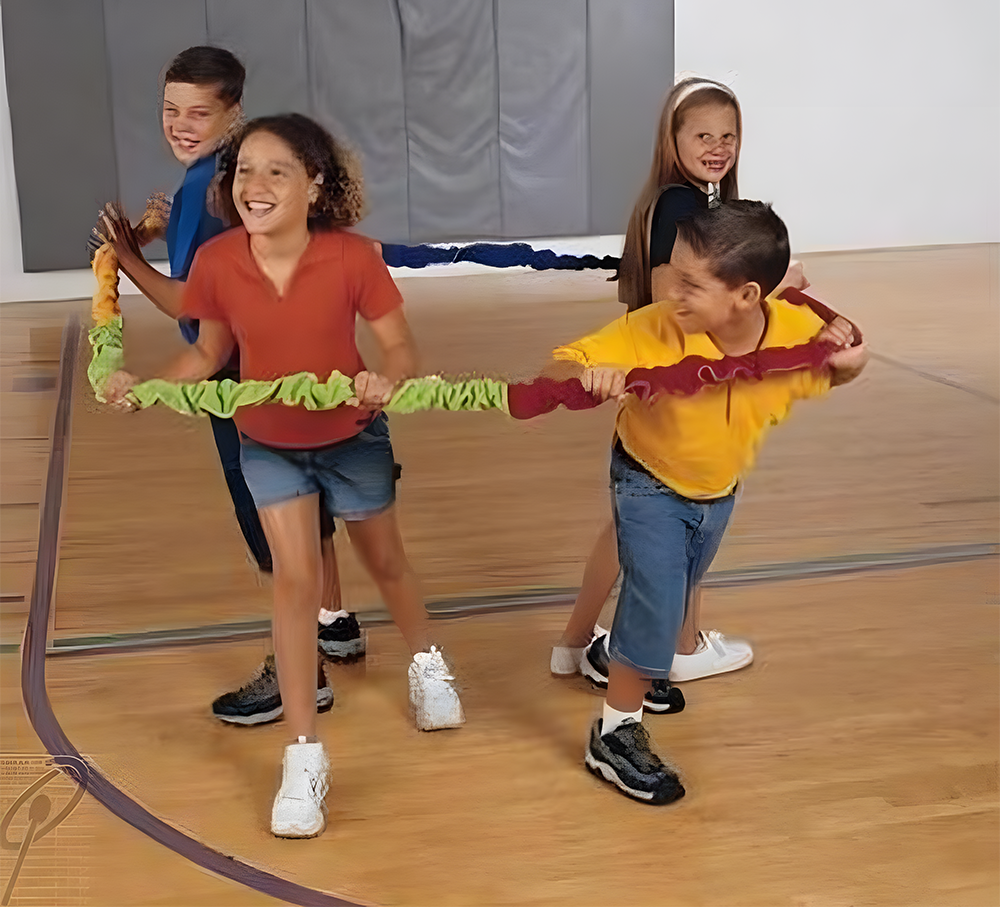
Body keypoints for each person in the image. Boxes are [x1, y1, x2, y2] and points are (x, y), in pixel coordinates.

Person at [106, 113, 464, 838]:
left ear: (315, 185)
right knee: (294, 584)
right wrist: (145, 385)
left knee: (385, 562)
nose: (256, 186)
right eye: (244, 172)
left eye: (277, 171)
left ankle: (427, 662)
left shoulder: (354, 257)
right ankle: (303, 756)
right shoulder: (218, 263)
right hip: (266, 440)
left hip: (351, 436)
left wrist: (383, 380)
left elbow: (400, 348)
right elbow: (208, 356)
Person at [548, 200, 867, 802]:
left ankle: (614, 658)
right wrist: (588, 374)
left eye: (691, 282)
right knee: (655, 595)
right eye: (672, 273)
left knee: (676, 587)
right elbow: (566, 360)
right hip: (646, 478)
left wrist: (850, 355)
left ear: (747, 296)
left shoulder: (791, 332)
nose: (673, 291)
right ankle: (615, 732)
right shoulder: (658, 327)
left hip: (717, 487)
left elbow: (841, 365)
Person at [94, 47, 365, 729]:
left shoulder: (209, 190)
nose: (181, 124)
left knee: (271, 525)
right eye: (170, 110)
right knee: (304, 508)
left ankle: (301, 669)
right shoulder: (237, 176)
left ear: (233, 111)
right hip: (288, 370)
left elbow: (192, 302)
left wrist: (129, 259)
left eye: (199, 112)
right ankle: (336, 622)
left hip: (243, 385)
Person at [551, 76, 807, 696]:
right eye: (702, 135)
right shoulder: (681, 206)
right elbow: (678, 293)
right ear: (673, 139)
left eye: (730, 135)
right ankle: (682, 645)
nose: (718, 147)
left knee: (633, 529)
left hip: (667, 383)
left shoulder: (689, 203)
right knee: (686, 518)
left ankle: (573, 642)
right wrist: (774, 283)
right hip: (684, 385)